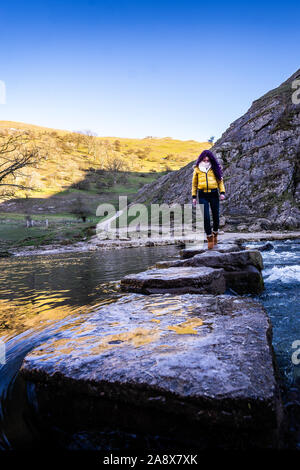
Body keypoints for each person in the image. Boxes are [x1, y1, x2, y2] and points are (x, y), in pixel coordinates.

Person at [192, 149, 225, 249]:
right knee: (206, 217)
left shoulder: (215, 167)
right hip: (202, 195)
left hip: (214, 194)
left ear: (210, 159)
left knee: (216, 217)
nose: (206, 162)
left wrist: (222, 192)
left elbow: (220, 182)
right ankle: (209, 238)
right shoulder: (197, 169)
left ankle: (215, 233)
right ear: (201, 159)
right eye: (204, 160)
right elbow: (194, 184)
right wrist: (194, 197)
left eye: (208, 160)